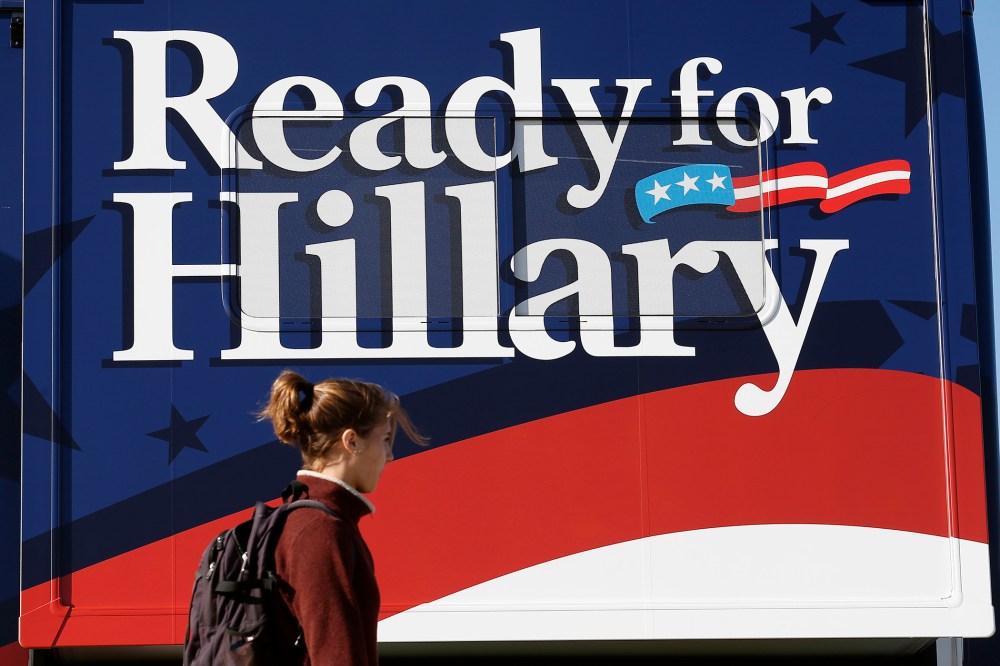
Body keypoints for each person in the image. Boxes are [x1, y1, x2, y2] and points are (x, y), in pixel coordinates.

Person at [257, 370, 425, 665]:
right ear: (352, 441)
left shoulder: (315, 518)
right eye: (384, 438)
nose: (390, 454)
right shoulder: (319, 529)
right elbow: (335, 655)